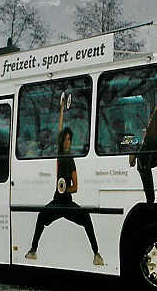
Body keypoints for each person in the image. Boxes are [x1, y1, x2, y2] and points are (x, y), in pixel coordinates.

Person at [25, 91, 104, 266]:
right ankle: (32, 250)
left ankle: (97, 254)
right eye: (65, 139)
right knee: (41, 216)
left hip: (67, 202)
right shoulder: (61, 153)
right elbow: (60, 128)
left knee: (86, 219)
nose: (67, 142)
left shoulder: (71, 160)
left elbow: (76, 187)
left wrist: (65, 189)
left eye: (69, 139)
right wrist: (62, 109)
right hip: (56, 200)